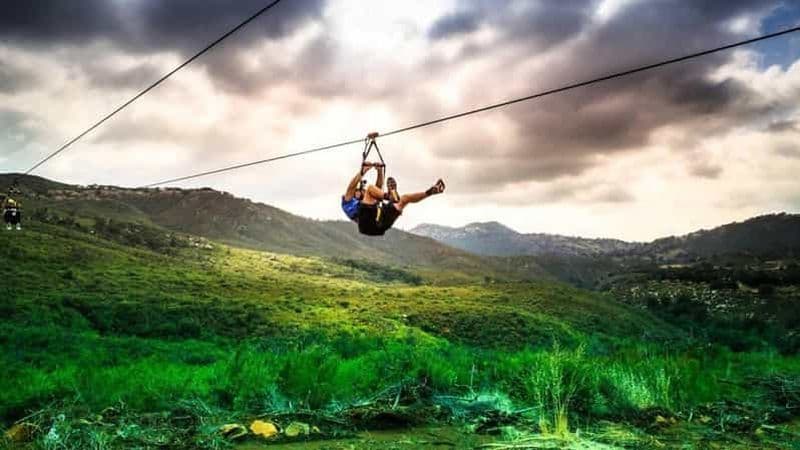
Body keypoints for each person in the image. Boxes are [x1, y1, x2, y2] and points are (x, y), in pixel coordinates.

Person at [351, 163, 445, 236]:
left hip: (380, 224)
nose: (361, 191)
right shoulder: (350, 201)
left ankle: (430, 192)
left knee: (404, 199)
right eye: (360, 190)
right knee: (371, 188)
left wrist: (379, 171)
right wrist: (362, 172)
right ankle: (389, 196)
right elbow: (351, 187)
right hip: (367, 224)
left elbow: (378, 187)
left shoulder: (369, 199)